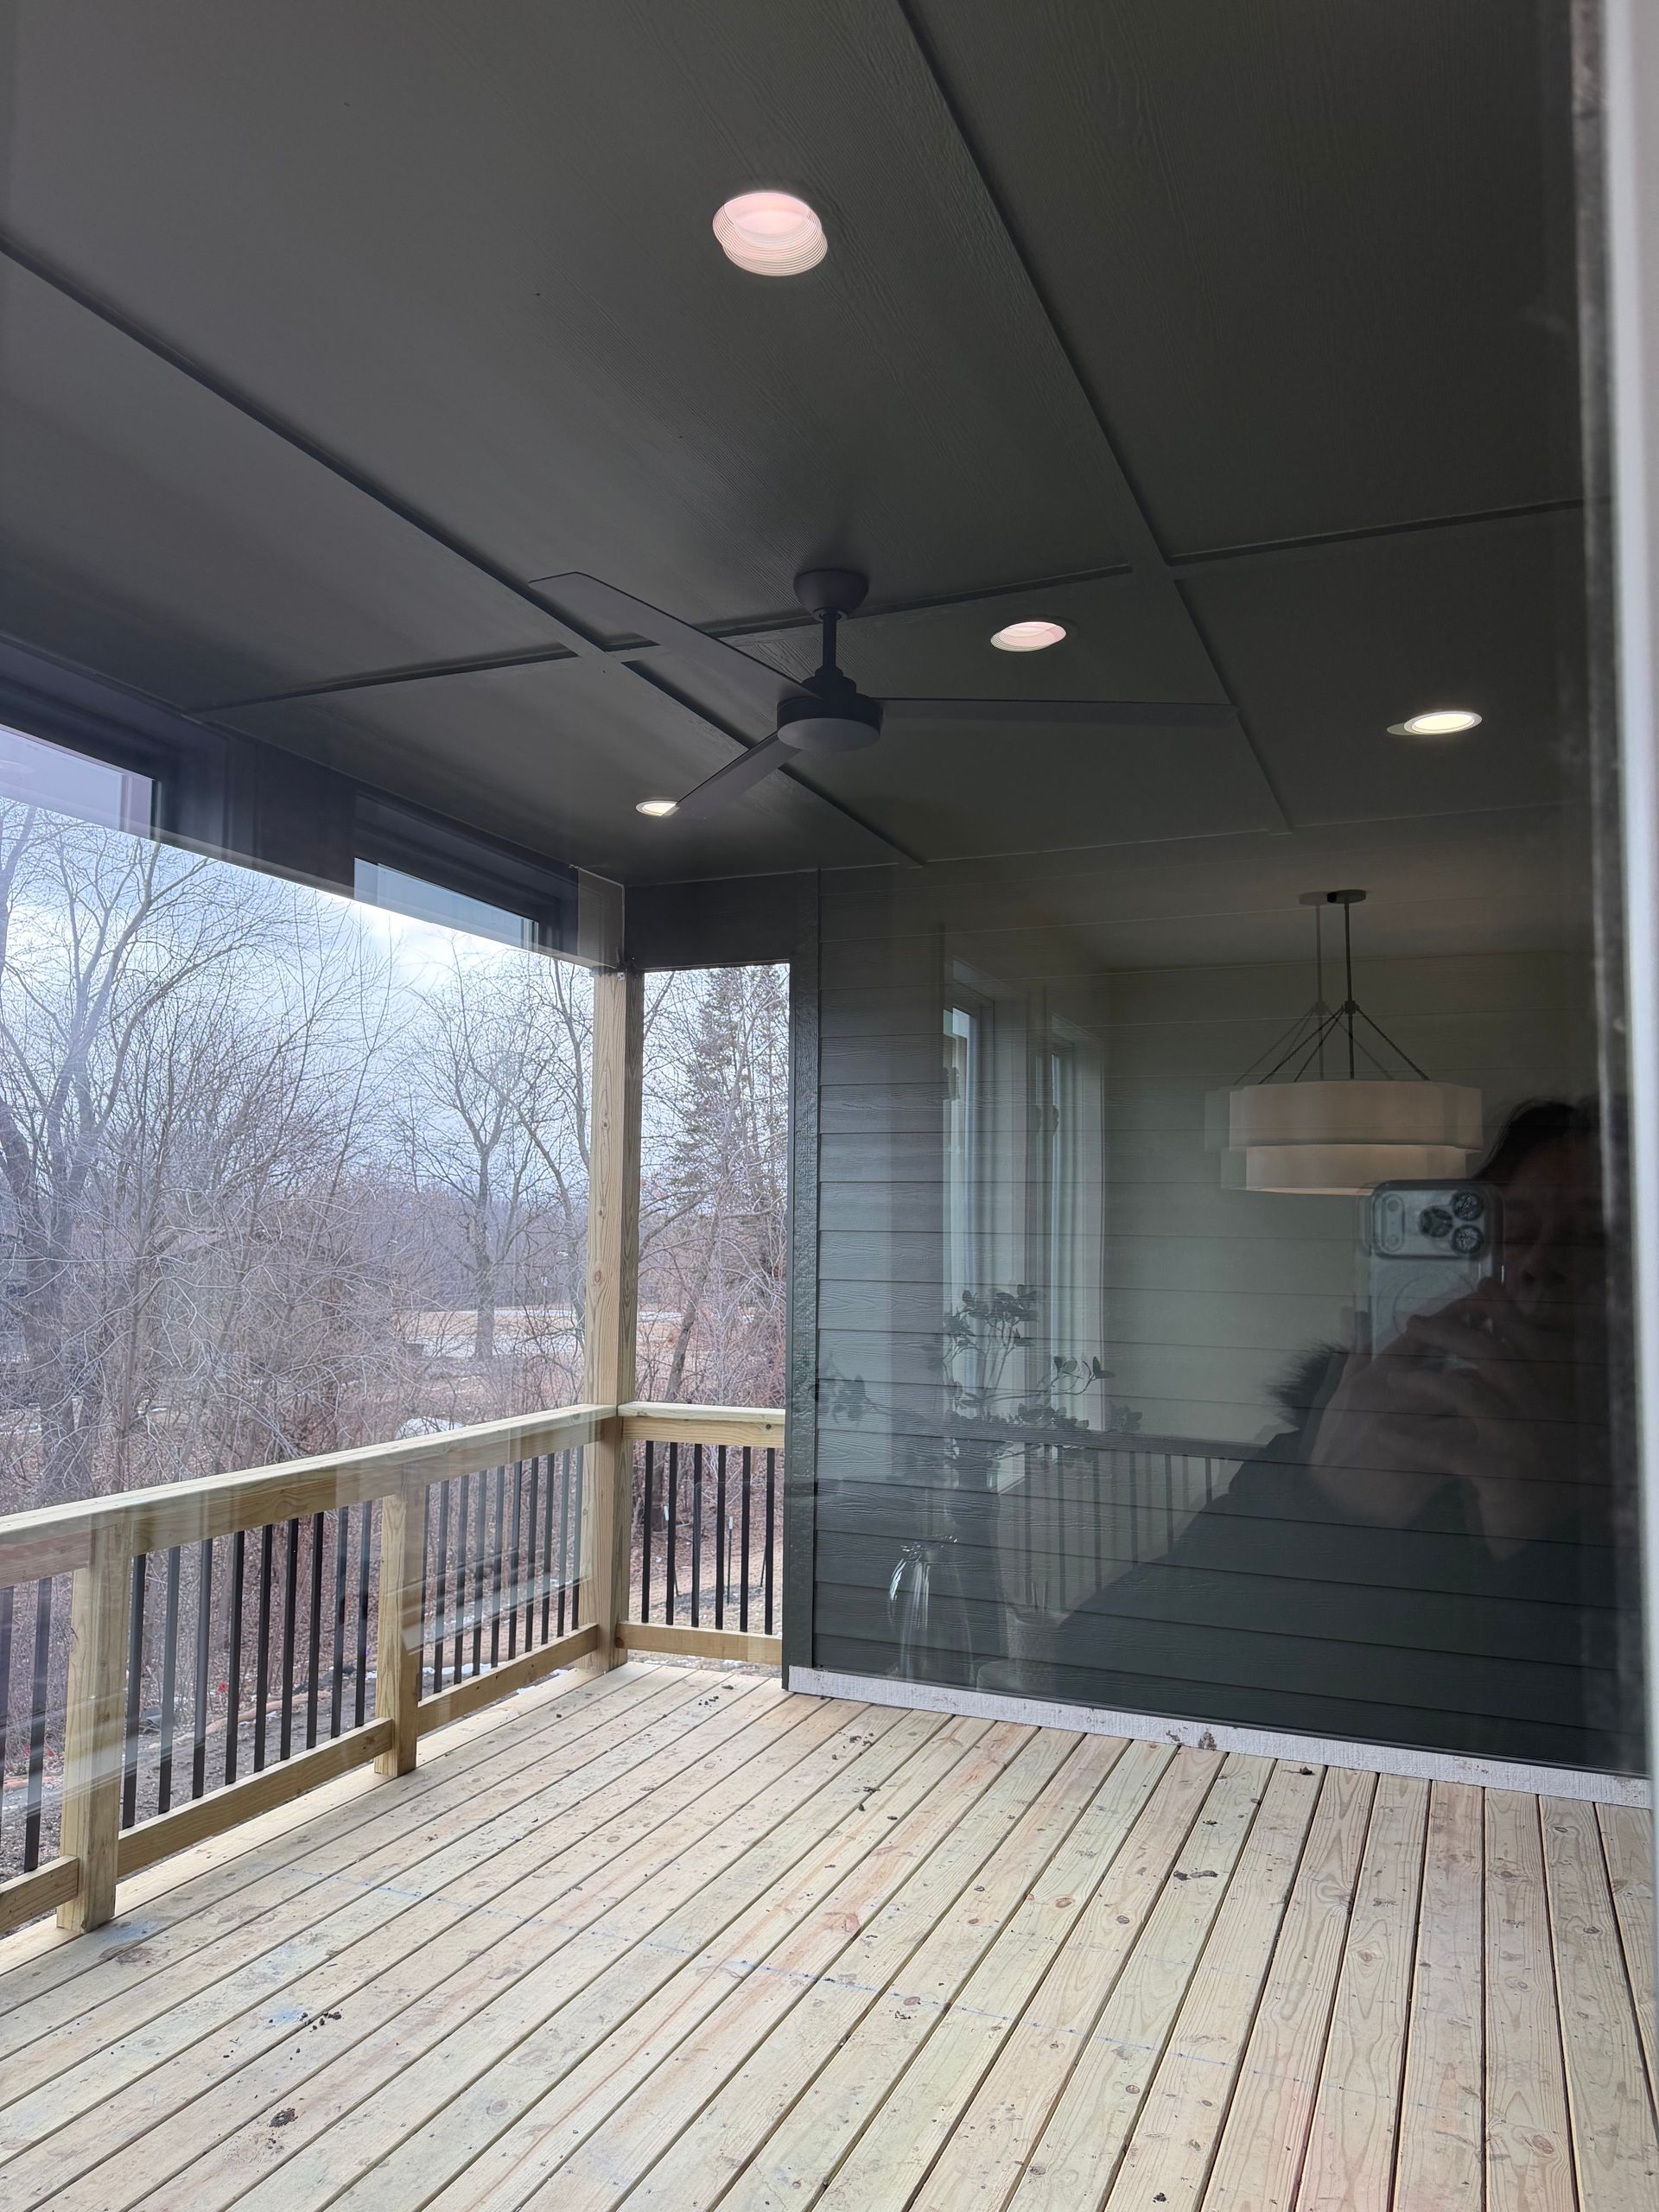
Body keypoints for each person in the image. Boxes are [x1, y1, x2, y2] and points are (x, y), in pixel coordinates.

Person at [996, 1101, 1624, 1766]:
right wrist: (1328, 1510)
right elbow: (1099, 1668)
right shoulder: (1343, 1446)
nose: (1540, 1266)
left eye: (1598, 1237)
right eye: (1509, 1234)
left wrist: (1549, 1546)